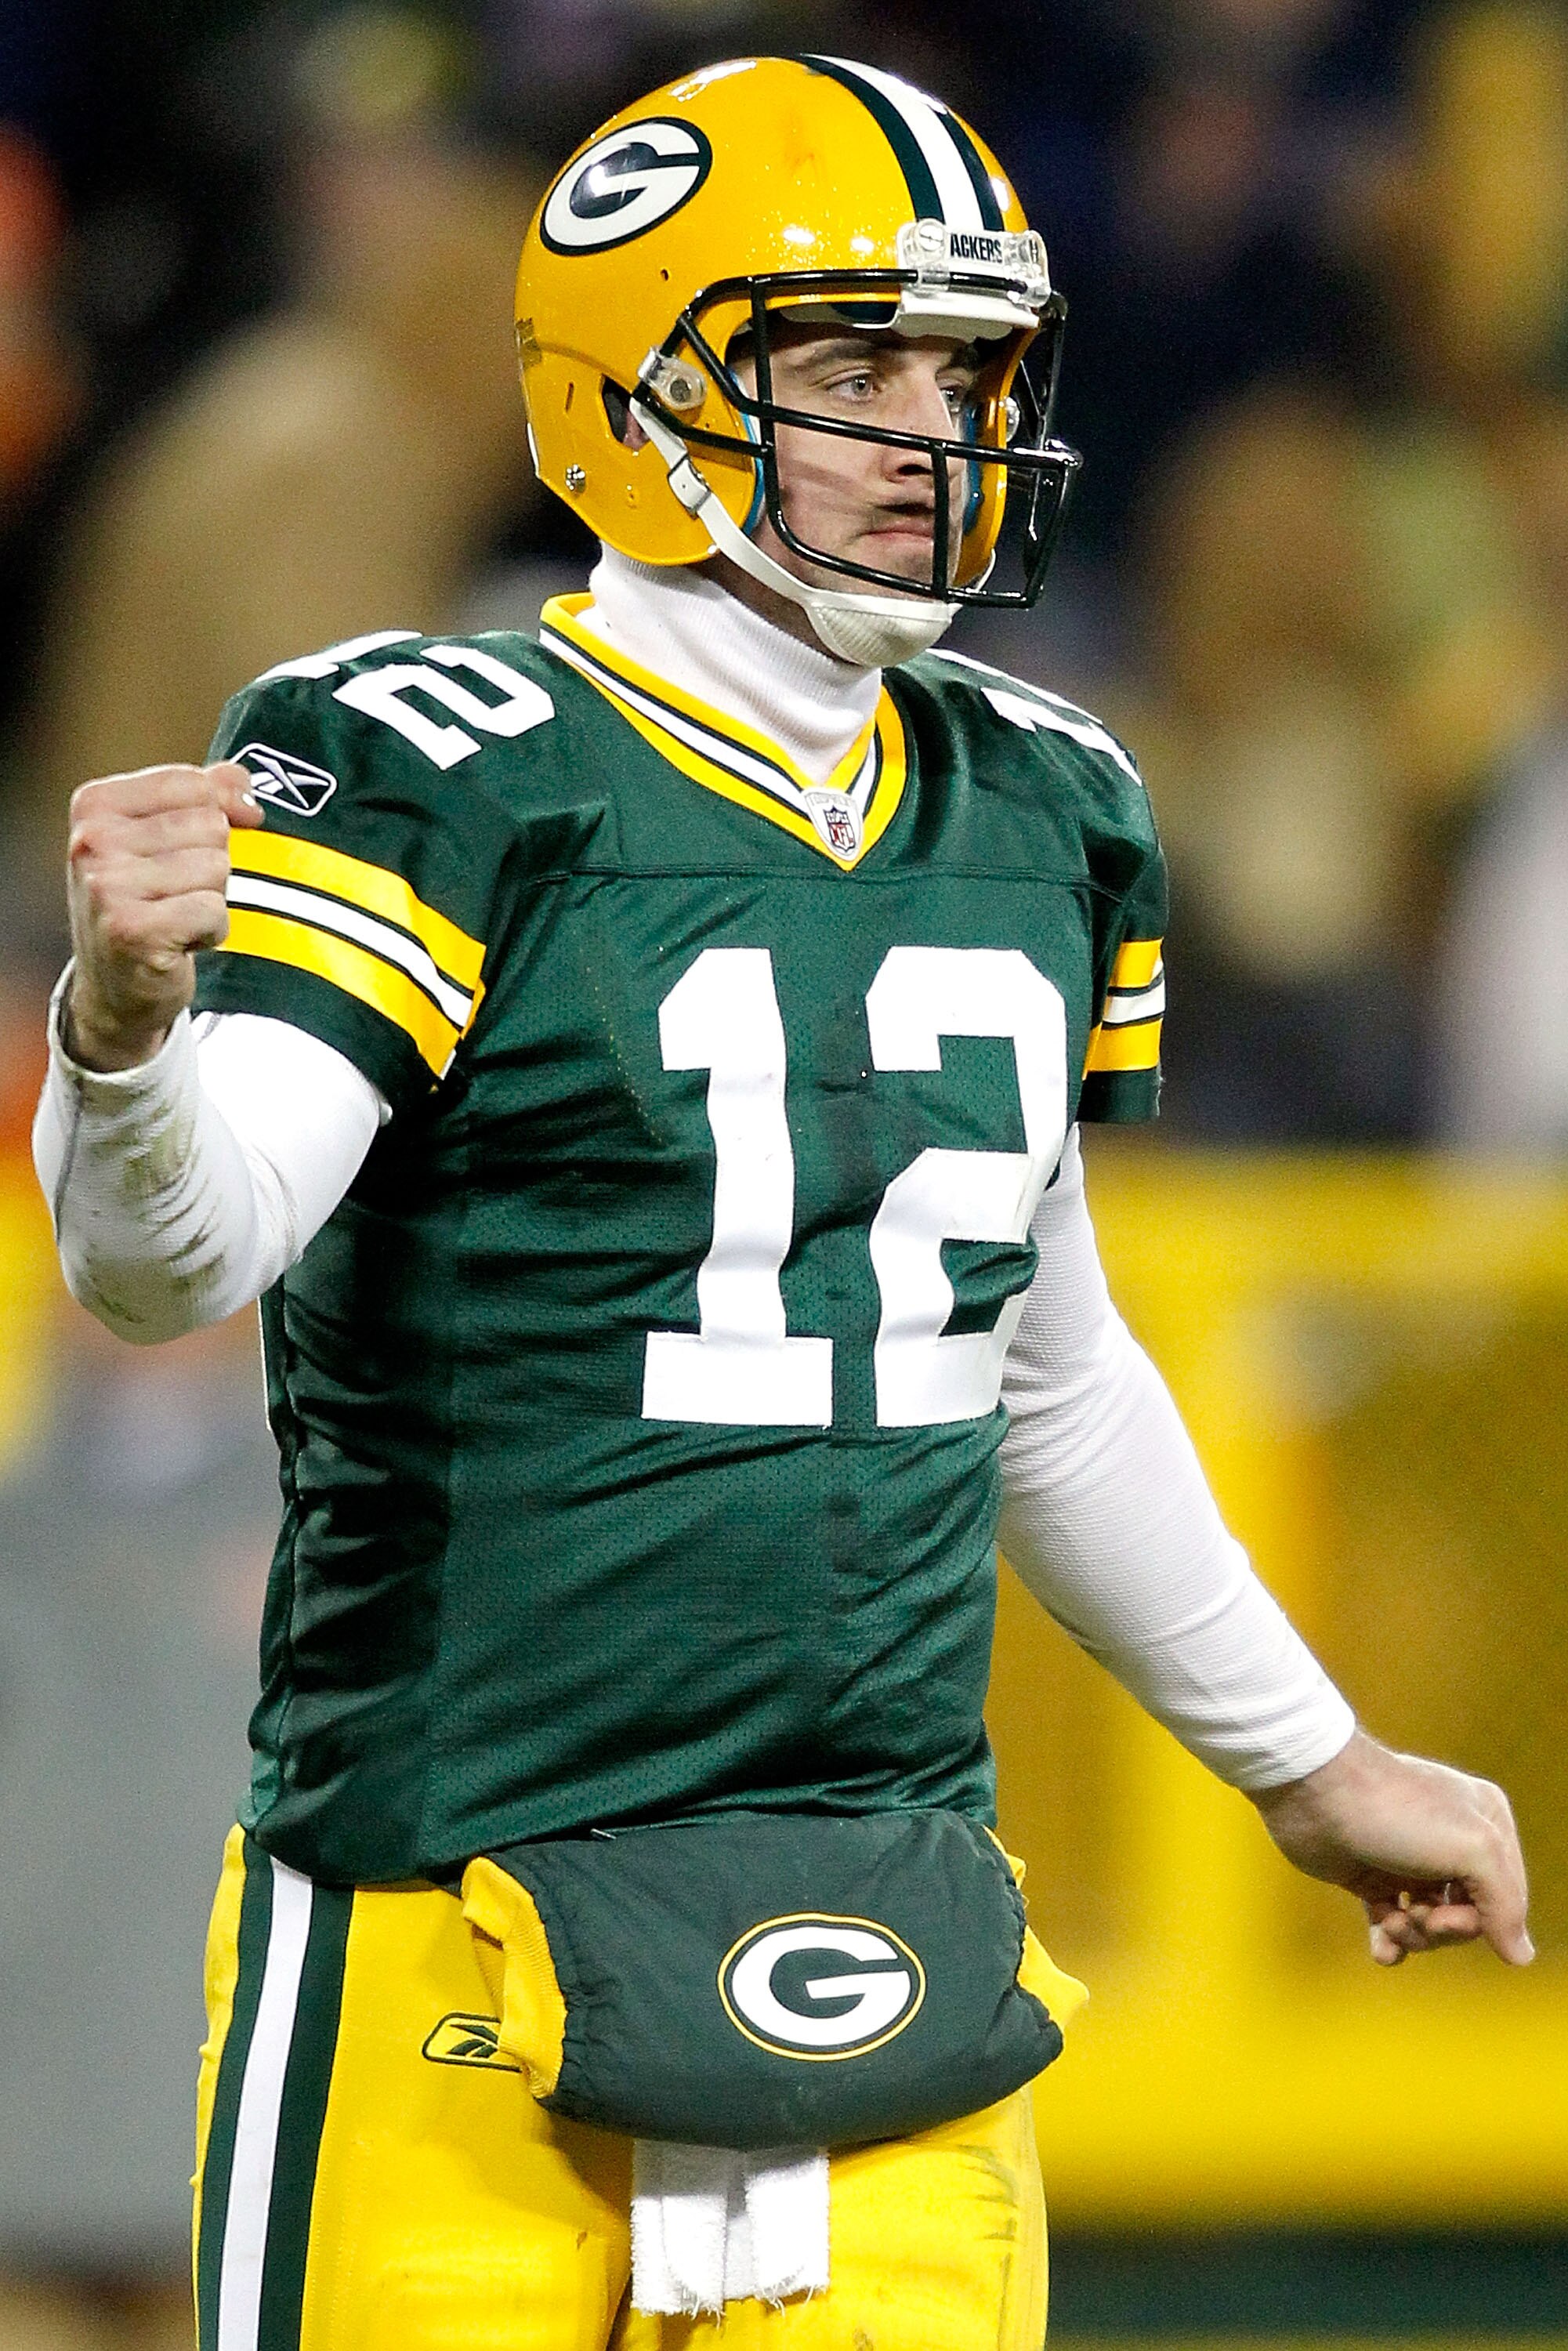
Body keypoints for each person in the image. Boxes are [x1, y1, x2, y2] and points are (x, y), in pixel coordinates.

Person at [33, 54, 1530, 2351]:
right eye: (849, 367)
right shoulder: (435, 755)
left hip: (883, 1924)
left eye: (963, 369)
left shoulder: (1047, 800)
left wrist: (1305, 1760)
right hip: (449, 1920)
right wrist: (125, 1036)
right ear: (630, 393)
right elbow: (173, 1260)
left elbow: (1039, 1377)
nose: (929, 435)